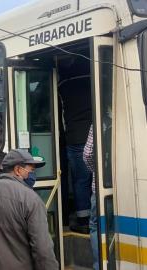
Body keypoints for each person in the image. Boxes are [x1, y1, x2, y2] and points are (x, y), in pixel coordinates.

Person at [0, 149, 59, 270]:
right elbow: (42, 249)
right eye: (31, 170)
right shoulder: (31, 199)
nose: (32, 175)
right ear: (18, 170)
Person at [59, 56, 93, 233]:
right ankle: (99, 216)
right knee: (98, 180)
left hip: (74, 138)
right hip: (96, 134)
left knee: (81, 181)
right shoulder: (92, 75)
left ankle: (83, 220)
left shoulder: (63, 83)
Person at [83, 125, 99, 270]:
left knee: (95, 227)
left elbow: (88, 154)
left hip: (100, 189)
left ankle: (99, 265)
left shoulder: (98, 123)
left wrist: (97, 170)